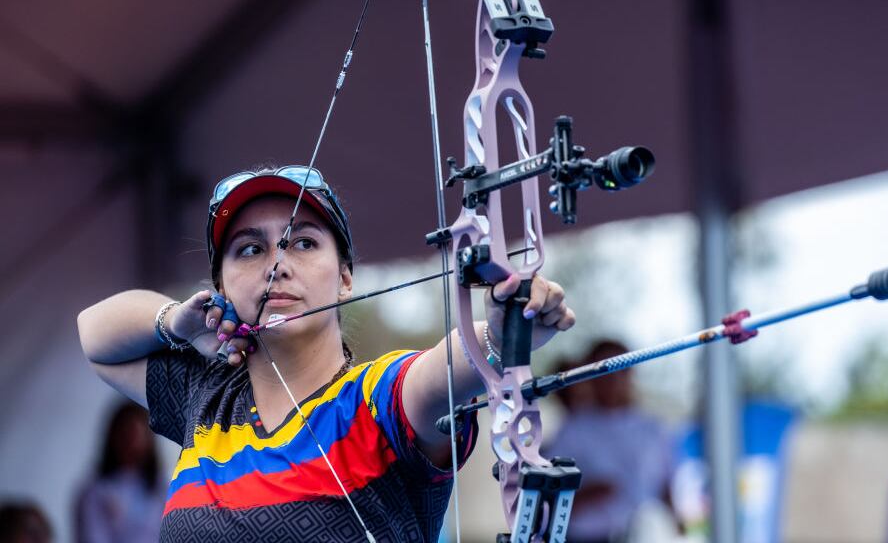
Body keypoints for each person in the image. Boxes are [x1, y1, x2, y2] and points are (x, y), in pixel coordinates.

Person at [77, 165, 575, 542]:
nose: (276, 265)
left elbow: (440, 371)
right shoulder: (205, 399)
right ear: (221, 285)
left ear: (344, 278)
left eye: (303, 243)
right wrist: (177, 324)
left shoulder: (375, 401)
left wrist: (503, 332)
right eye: (249, 250)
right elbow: (95, 337)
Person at [544, 339, 671, 543]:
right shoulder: (574, 429)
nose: (613, 379)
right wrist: (582, 497)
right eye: (604, 371)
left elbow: (667, 487)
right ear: (591, 377)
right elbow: (546, 497)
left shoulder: (653, 429)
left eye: (621, 369)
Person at [75, 401, 165, 543]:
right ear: (112, 438)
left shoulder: (162, 489)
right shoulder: (95, 492)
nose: (131, 443)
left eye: (136, 435)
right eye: (125, 435)